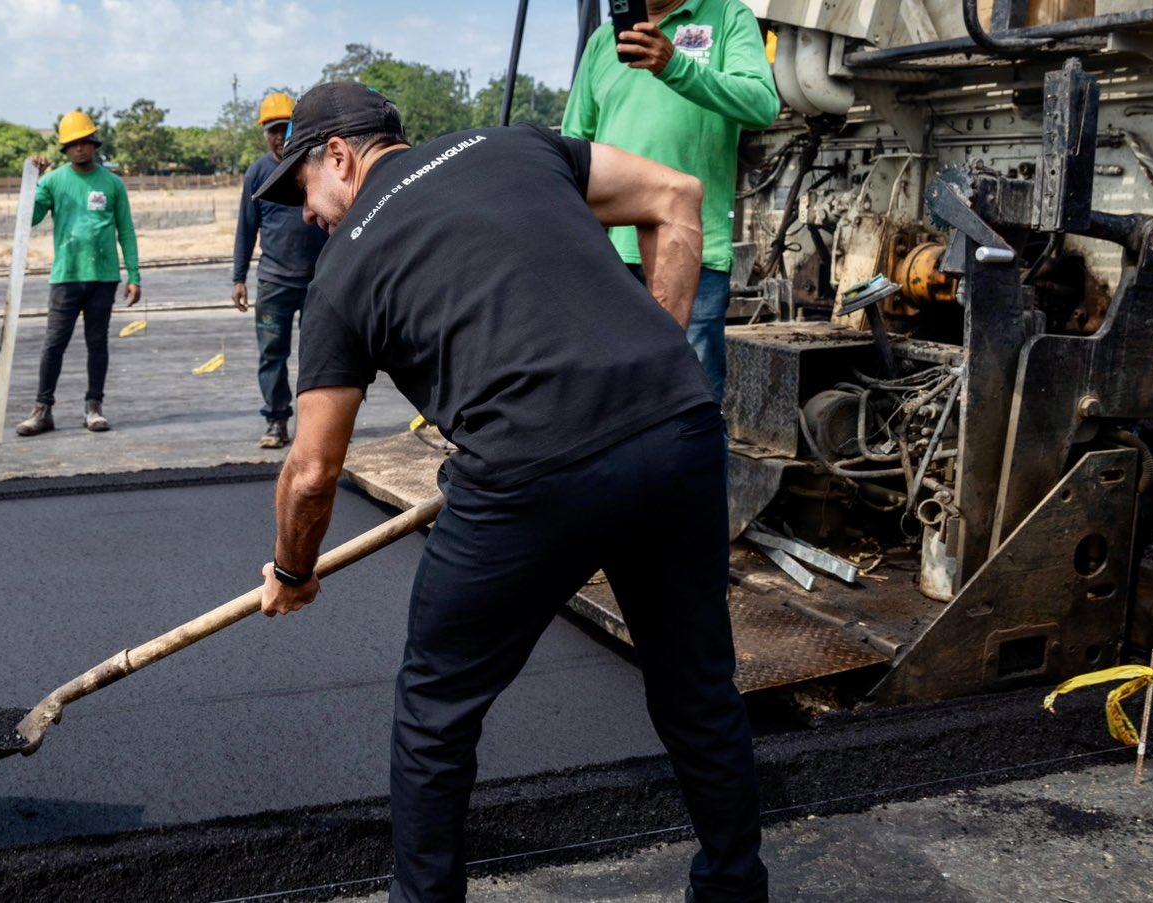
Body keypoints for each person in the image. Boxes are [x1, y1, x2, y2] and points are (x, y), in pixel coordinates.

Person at [254, 83, 766, 902]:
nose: (306, 214)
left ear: (341, 157)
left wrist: (292, 569)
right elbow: (678, 194)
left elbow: (312, 471)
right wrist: (651, 357)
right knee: (698, 687)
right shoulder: (518, 145)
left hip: (531, 474)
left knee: (436, 714)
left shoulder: (343, 271)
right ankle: (736, 888)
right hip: (677, 429)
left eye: (301, 189)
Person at [561, 0, 779, 405]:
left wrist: (674, 65)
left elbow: (762, 105)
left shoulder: (729, 15)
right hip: (609, 257)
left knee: (690, 402)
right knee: (611, 401)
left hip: (695, 254)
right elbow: (575, 142)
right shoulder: (602, 41)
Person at [15, 110, 142, 436]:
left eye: (85, 142)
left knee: (97, 343)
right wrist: (34, 181)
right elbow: (29, 219)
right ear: (65, 149)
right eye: (73, 144)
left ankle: (94, 407)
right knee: (54, 343)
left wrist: (134, 275)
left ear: (94, 143)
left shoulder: (112, 184)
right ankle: (42, 409)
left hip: (103, 277)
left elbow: (125, 230)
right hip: (66, 276)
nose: (80, 149)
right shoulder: (55, 181)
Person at [232, 91, 329, 449]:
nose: (280, 137)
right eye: (273, 130)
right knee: (272, 354)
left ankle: (317, 428)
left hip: (320, 282)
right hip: (274, 282)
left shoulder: (315, 167)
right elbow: (246, 228)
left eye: (286, 129)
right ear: (265, 133)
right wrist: (238, 278)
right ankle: (276, 420)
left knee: (320, 356)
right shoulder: (257, 174)